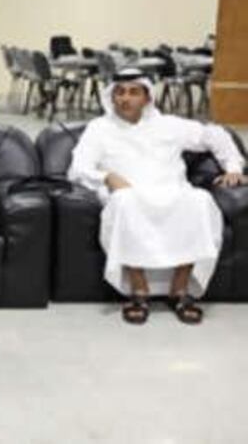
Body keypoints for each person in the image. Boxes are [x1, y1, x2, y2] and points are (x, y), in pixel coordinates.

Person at [68, 70, 247, 325]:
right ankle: (139, 292)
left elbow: (215, 135)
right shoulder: (99, 129)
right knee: (125, 203)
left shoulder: (170, 125)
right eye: (119, 92)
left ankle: (180, 291)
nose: (125, 99)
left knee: (199, 201)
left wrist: (233, 168)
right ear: (112, 97)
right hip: (127, 193)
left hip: (174, 192)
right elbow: (78, 168)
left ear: (147, 97)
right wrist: (107, 177)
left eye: (133, 92)